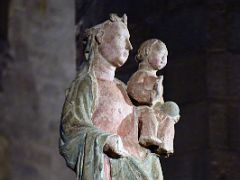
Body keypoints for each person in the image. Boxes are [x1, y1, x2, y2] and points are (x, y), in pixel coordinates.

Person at [59, 14, 173, 180]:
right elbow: (71, 131)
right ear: (100, 38)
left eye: (129, 40)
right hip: (115, 169)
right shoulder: (87, 84)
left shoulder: (123, 88)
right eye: (122, 38)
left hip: (144, 169)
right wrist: (105, 140)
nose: (129, 46)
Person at [127, 39, 180, 151]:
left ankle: (165, 144)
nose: (164, 59)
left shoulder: (157, 79)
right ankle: (147, 136)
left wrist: (167, 111)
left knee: (168, 120)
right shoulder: (141, 74)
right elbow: (133, 90)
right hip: (141, 110)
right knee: (149, 114)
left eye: (166, 56)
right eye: (161, 54)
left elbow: (159, 101)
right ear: (147, 52)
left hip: (156, 111)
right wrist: (151, 95)